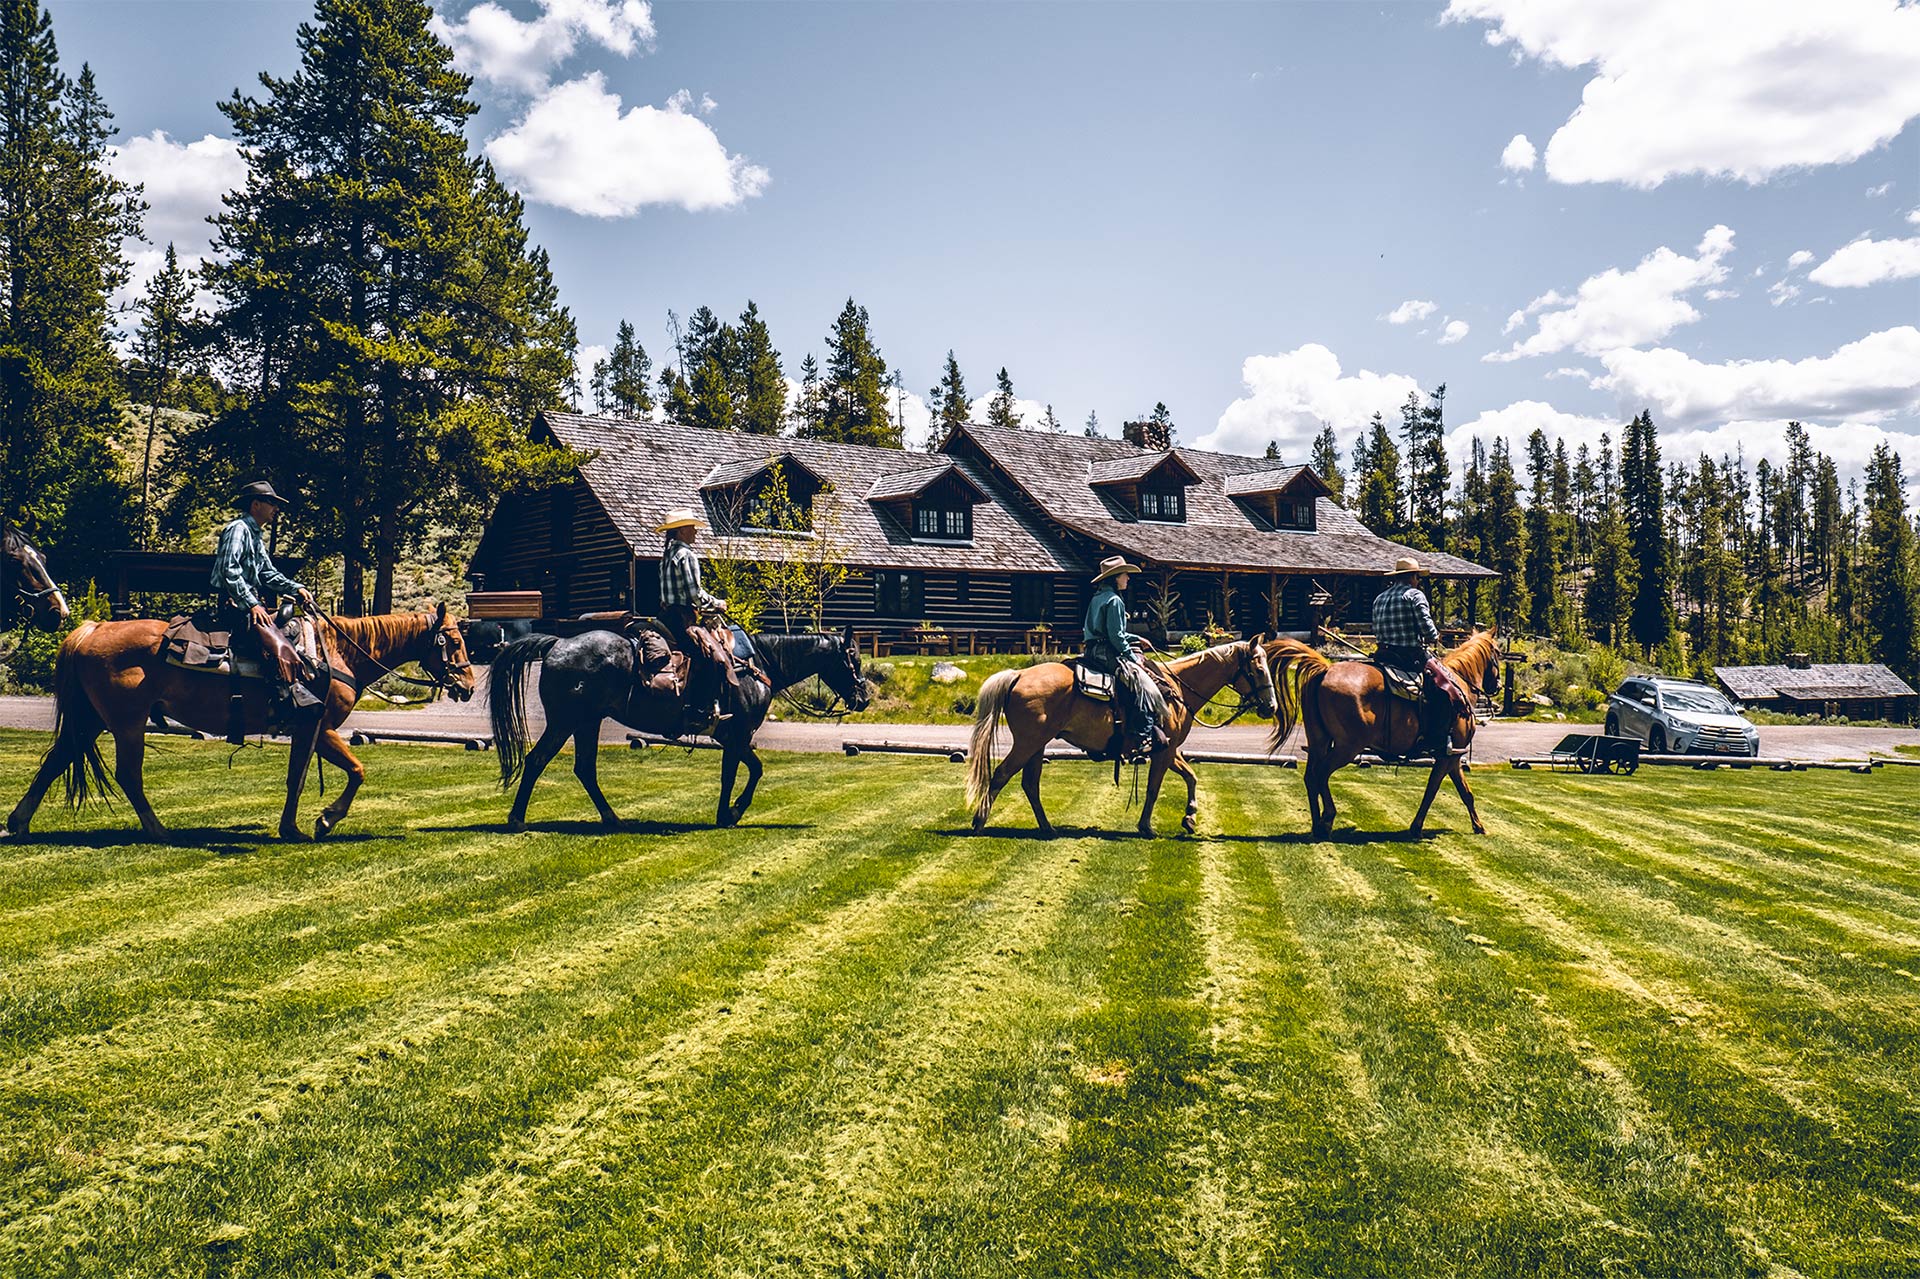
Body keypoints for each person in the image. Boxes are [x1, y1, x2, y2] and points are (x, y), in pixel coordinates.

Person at [212, 480, 321, 735]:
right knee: (274, 642)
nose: (275, 509)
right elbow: (230, 571)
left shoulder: (255, 536)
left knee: (292, 629)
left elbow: (268, 574)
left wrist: (296, 588)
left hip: (248, 603)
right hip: (235, 604)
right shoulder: (238, 529)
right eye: (271, 503)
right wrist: (251, 604)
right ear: (256, 504)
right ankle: (285, 703)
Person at [1371, 556, 1471, 756]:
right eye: (1417, 577)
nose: (1417, 581)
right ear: (1412, 577)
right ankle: (1439, 739)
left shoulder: (1379, 598)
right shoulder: (1415, 596)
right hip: (1410, 656)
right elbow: (1429, 632)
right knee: (1446, 687)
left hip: (1383, 655)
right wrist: (1434, 635)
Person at [1082, 555, 1170, 760]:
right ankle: (1142, 739)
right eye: (1125, 575)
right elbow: (1115, 637)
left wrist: (1137, 637)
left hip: (1091, 651)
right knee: (1143, 685)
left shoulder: (1097, 598)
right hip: (1106, 653)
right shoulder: (1114, 600)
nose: (1128, 579)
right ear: (1115, 578)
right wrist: (1132, 657)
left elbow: (1110, 631)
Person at [656, 508, 734, 734]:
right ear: (681, 530)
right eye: (691, 528)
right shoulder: (686, 555)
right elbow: (694, 595)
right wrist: (718, 603)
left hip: (665, 617)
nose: (695, 532)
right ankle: (699, 711)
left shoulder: (667, 556)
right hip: (683, 619)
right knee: (710, 657)